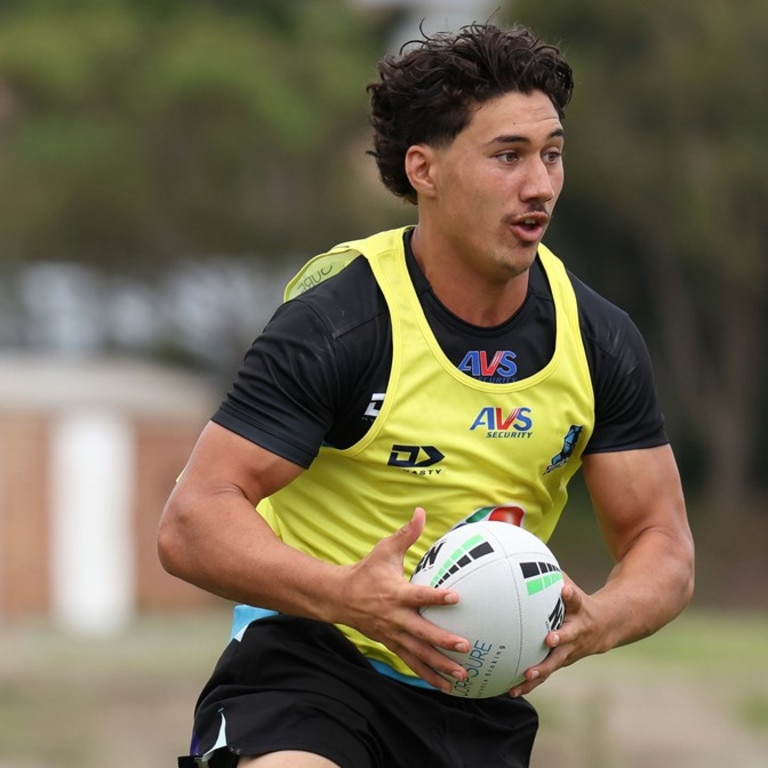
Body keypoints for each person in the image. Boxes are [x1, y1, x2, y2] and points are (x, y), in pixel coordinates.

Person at [158, 21, 695, 768]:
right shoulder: (341, 324)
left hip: (479, 704)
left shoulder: (597, 339)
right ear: (424, 170)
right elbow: (192, 522)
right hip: (311, 669)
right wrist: (347, 595)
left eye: (552, 154)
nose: (539, 184)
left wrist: (600, 619)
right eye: (507, 156)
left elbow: (661, 543)